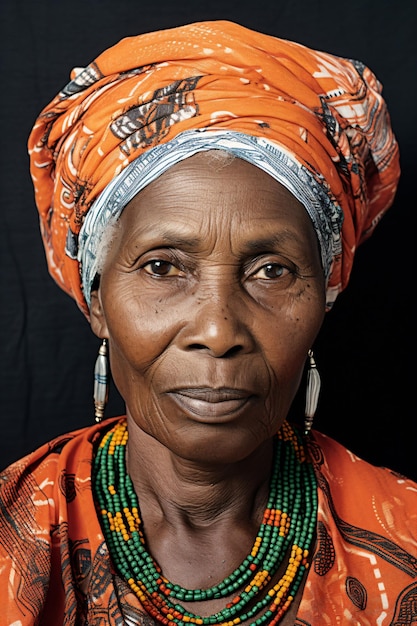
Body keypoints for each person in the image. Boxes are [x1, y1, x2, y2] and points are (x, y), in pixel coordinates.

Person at [0, 19, 415, 625]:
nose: (219, 333)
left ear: (324, 296)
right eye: (164, 267)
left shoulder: (403, 534)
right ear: (96, 300)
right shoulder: (15, 536)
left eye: (272, 271)